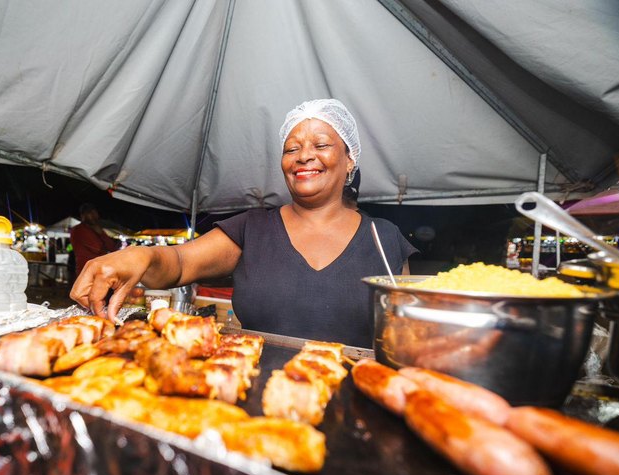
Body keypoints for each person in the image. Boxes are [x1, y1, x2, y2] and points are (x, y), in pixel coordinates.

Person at [71, 99, 417, 347]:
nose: (303, 156)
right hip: (247, 408)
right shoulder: (253, 228)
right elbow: (178, 263)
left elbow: (406, 335)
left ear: (349, 159)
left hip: (351, 420)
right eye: (291, 148)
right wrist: (139, 257)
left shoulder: (384, 238)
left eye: (321, 144)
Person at [69, 203, 118, 277]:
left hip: (100, 271)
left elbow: (112, 248)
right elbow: (97, 248)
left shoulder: (97, 229)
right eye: (90, 213)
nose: (94, 216)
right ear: (83, 216)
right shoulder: (78, 229)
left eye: (95, 213)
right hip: (86, 272)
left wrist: (101, 233)